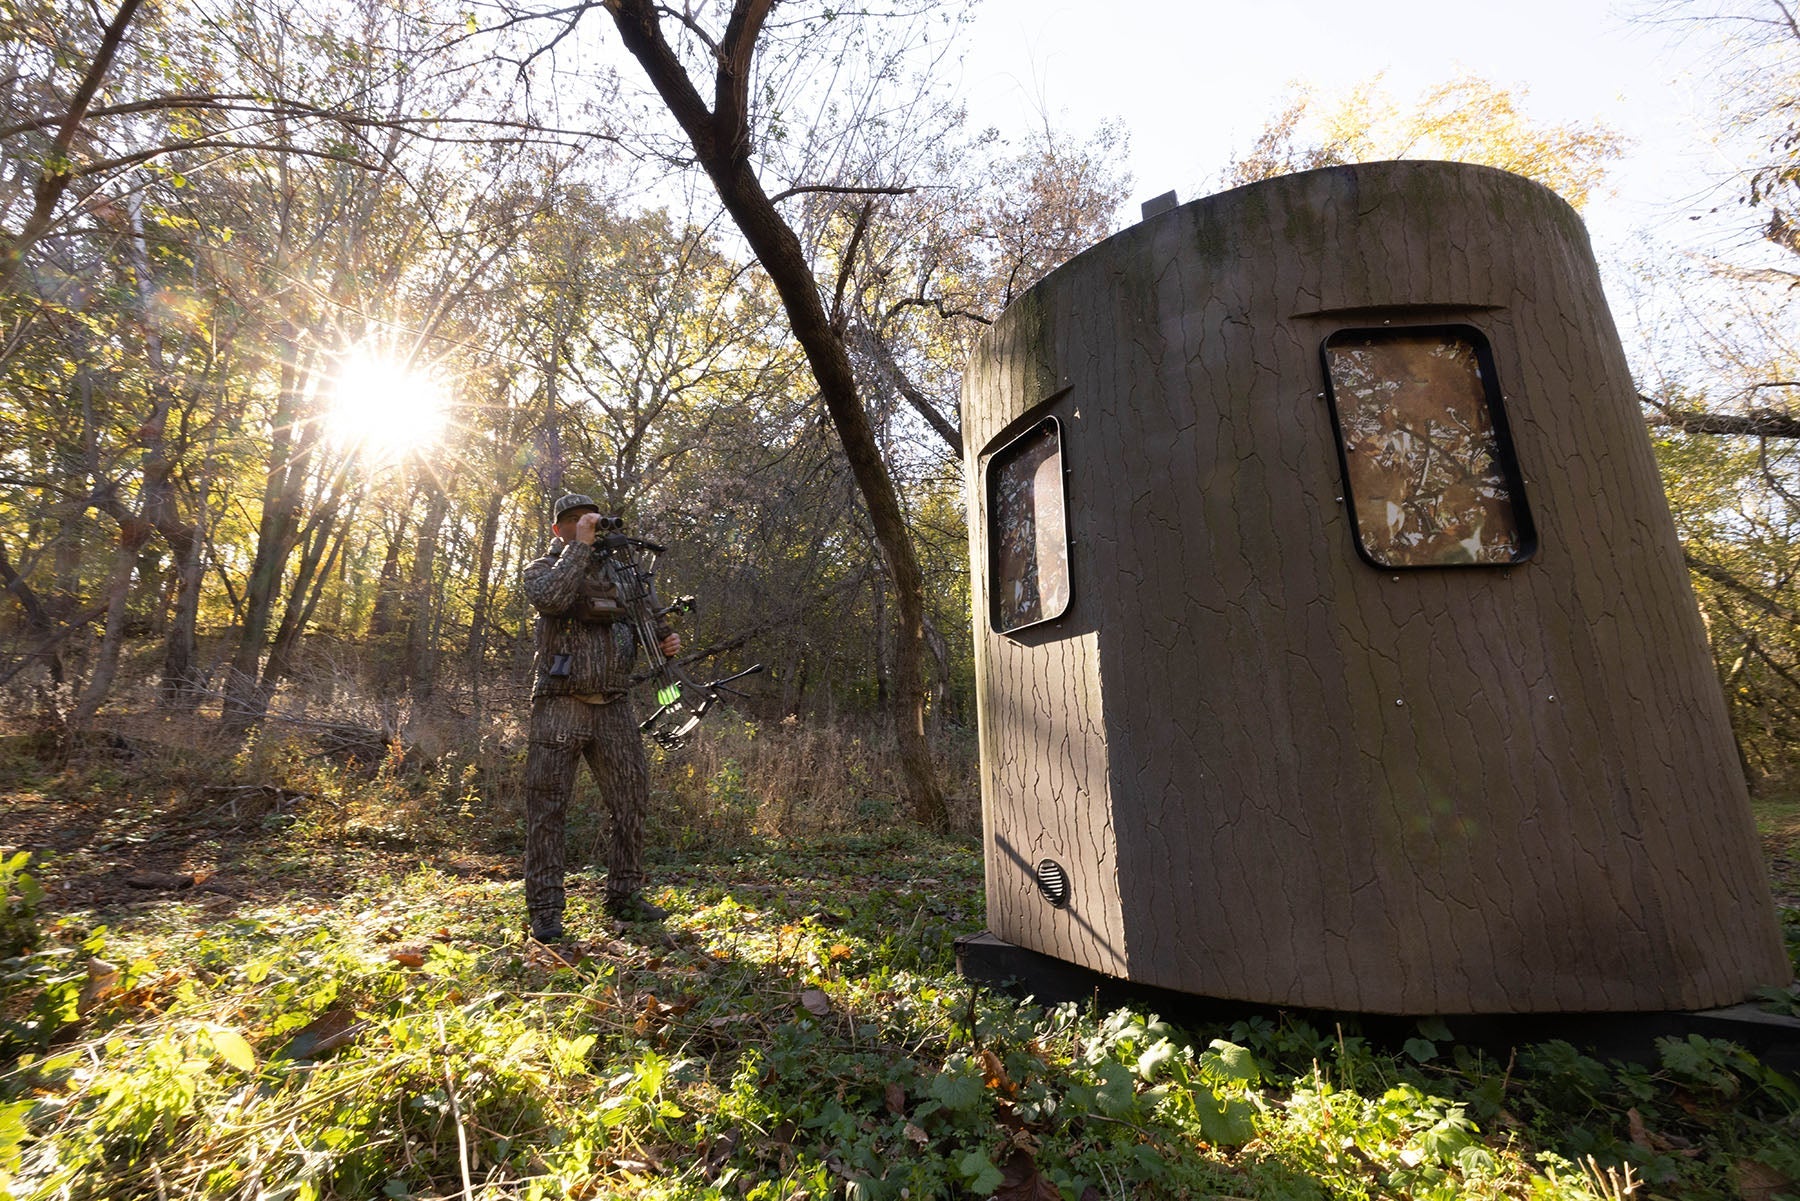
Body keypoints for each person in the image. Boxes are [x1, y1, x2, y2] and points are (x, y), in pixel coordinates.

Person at [520, 492, 681, 940]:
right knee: (547, 810)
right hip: (559, 705)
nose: (581, 525)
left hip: (614, 706)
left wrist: (667, 640)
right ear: (558, 530)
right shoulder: (542, 569)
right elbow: (552, 599)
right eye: (571, 521)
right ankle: (546, 910)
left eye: (587, 520)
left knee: (631, 801)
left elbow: (651, 618)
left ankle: (624, 896)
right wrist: (581, 547)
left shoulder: (621, 575)